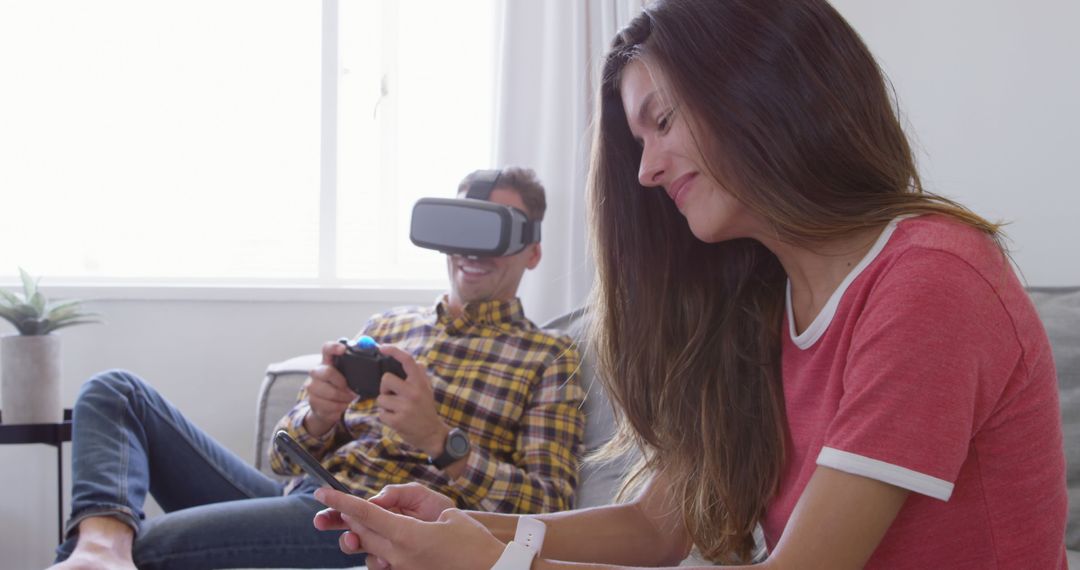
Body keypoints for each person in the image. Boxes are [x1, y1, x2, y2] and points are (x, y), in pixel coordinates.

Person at [309, 1, 1068, 569]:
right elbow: (656, 528)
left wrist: (497, 563)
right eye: (637, 141)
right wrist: (470, 529)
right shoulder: (759, 306)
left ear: (768, 93)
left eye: (662, 121)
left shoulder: (933, 279)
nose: (644, 170)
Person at [49, 167, 585, 570]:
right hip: (307, 496)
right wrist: (316, 421)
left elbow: (548, 509)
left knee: (157, 546)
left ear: (532, 252)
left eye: (492, 232)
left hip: (379, 523)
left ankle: (104, 553)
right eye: (463, 227)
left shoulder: (548, 356)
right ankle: (99, 545)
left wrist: (441, 441)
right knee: (114, 392)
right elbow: (285, 464)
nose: (472, 249)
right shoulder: (392, 325)